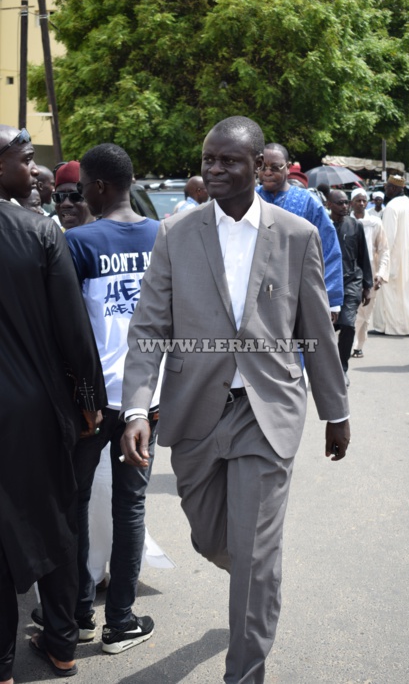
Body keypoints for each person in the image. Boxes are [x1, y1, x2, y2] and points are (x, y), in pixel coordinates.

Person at [120, 116, 350, 684]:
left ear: (259, 167)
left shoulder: (297, 235)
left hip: (266, 411)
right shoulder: (176, 232)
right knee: (212, 536)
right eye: (209, 161)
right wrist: (135, 407)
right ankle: (256, 576)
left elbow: (315, 330)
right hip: (197, 408)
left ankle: (244, 670)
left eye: (230, 161)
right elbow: (149, 327)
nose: (216, 170)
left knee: (252, 550)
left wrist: (336, 411)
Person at [0, 125, 106, 683]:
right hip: (39, 410)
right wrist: (90, 402)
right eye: (24, 159)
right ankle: (63, 644)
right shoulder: (40, 233)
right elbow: (75, 337)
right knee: (59, 522)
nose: (34, 169)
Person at [57, 143, 160, 654]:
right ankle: (119, 621)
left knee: (74, 504)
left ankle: (77, 615)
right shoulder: (163, 236)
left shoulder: (78, 243)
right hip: (145, 398)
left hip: (91, 402)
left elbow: (69, 331)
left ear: (97, 188)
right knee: (131, 508)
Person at [256, 143, 344, 316]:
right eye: (262, 167)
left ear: (288, 168)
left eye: (275, 167)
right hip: (254, 294)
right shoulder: (249, 200)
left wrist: (331, 300)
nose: (267, 172)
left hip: (296, 295)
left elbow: (328, 248)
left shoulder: (308, 202)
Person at [373, 174, 409, 335]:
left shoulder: (392, 207)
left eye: (388, 186)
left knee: (390, 293)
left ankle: (392, 326)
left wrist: (379, 255)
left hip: (392, 256)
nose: (385, 189)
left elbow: (387, 237)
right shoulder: (408, 204)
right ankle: (396, 325)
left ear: (395, 188)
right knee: (401, 293)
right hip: (406, 255)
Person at [328, 189, 372, 385]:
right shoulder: (321, 226)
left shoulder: (355, 226)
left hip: (351, 282)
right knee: (324, 330)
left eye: (347, 202)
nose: (345, 206)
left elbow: (364, 257)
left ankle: (341, 368)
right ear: (329, 204)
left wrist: (367, 286)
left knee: (347, 324)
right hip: (326, 285)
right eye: (340, 203)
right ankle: (322, 370)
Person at [350, 188, 390, 358]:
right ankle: (348, 344)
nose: (361, 203)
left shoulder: (375, 223)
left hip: (370, 273)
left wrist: (380, 274)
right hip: (349, 273)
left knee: (365, 312)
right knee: (351, 311)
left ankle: (358, 345)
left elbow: (384, 250)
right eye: (358, 200)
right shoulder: (345, 222)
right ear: (351, 202)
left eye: (364, 200)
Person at [52, 161, 95, 230]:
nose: (65, 204)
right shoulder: (54, 238)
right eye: (59, 197)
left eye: (75, 196)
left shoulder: (108, 236)